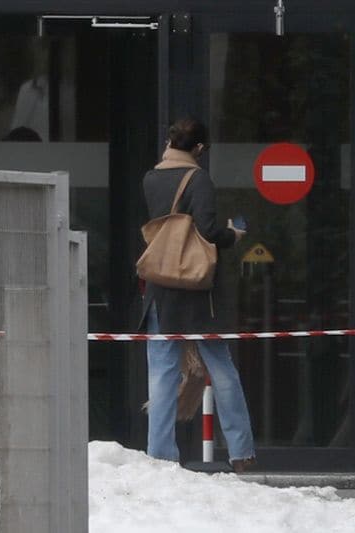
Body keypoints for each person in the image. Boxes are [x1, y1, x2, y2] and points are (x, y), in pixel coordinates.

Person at [139, 117, 256, 472]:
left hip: (161, 287)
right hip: (197, 291)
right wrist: (232, 236)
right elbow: (205, 231)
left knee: (161, 372)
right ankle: (241, 452)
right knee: (222, 370)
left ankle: (159, 456)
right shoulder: (199, 179)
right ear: (199, 149)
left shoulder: (151, 178)